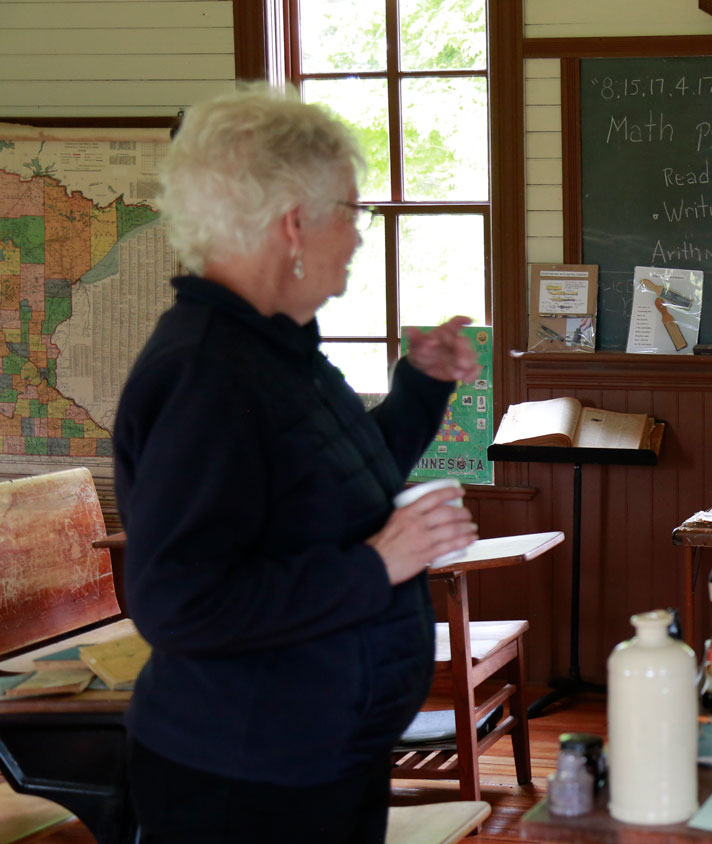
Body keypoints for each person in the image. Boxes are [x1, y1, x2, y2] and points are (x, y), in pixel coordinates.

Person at [113, 88, 480, 844]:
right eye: (352, 212)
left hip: (315, 758)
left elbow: (340, 481)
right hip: (247, 783)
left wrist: (420, 387)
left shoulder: (275, 351)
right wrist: (379, 565)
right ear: (293, 225)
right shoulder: (206, 374)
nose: (357, 237)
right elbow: (181, 602)